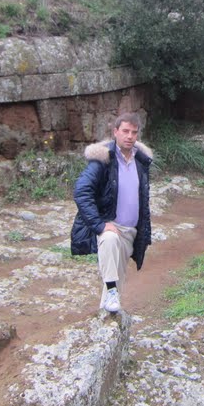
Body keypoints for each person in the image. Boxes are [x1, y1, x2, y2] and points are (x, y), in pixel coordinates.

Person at [70, 112, 153, 313]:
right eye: (125, 131)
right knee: (108, 239)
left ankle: (107, 315)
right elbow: (81, 191)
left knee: (117, 282)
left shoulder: (141, 162)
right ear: (115, 132)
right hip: (111, 227)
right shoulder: (103, 159)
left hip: (130, 231)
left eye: (134, 132)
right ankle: (111, 291)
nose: (129, 136)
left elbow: (143, 199)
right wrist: (99, 224)